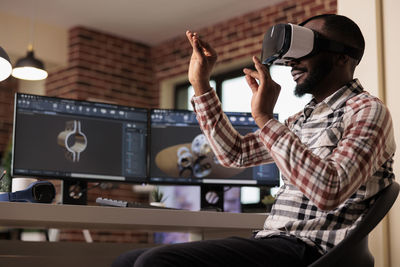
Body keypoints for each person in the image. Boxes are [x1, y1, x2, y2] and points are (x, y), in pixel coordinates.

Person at [112, 14, 395, 267]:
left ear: (342, 57)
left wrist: (265, 119)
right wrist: (201, 86)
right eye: (290, 55)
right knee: (128, 260)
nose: (292, 63)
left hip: (312, 249)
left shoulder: (367, 111)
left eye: (306, 50)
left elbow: (329, 191)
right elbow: (234, 154)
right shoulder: (301, 119)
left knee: (156, 262)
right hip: (273, 242)